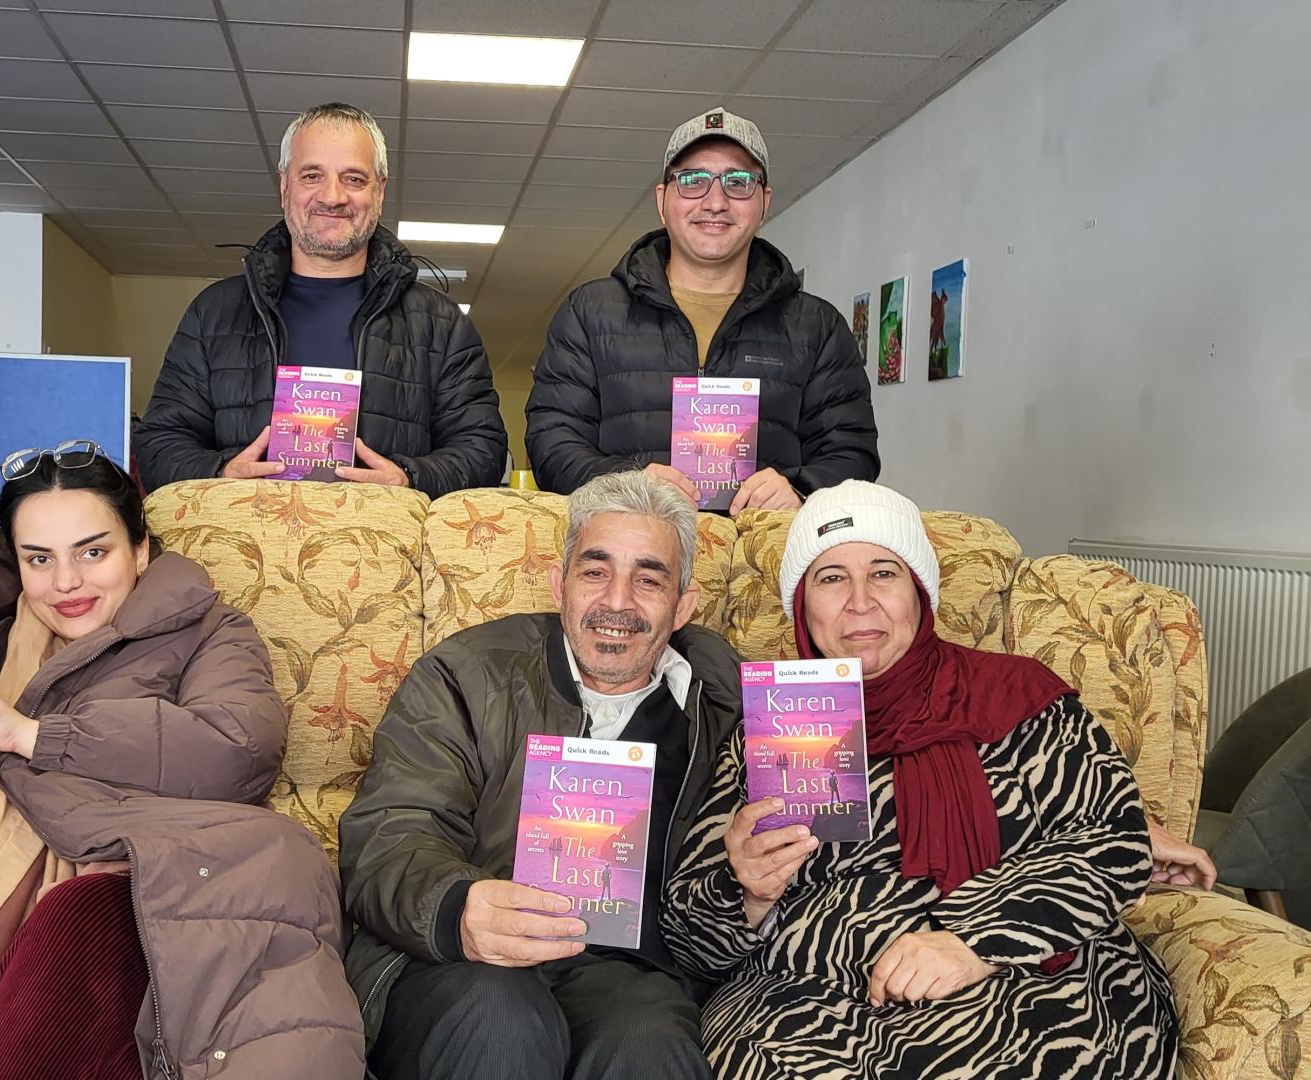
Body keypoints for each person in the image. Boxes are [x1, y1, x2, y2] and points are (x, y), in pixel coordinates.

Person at [0, 439, 363, 1079]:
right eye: (40, 559)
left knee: (70, 926)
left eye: (93, 552)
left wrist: (33, 736)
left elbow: (237, 750)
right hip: (11, 919)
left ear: (141, 550)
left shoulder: (209, 629)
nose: (66, 583)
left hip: (163, 880)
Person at [660, 480, 1178, 1078]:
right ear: (802, 606)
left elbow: (1114, 838)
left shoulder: (1015, 696)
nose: (859, 602)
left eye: (883, 573)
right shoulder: (765, 729)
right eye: (830, 578)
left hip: (1031, 977)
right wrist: (746, 890)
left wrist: (972, 940)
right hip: (806, 1001)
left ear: (920, 593)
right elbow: (690, 939)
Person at [339, 470, 743, 1079]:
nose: (617, 602)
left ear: (683, 606)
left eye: (649, 579)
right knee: (500, 1013)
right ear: (559, 584)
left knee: (649, 1037)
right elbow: (389, 830)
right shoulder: (466, 673)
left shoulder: (723, 698)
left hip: (620, 966)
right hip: (456, 956)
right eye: (595, 570)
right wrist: (458, 908)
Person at [134, 102, 507, 498]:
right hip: (242, 553)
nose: (332, 196)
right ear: (284, 186)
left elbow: (483, 448)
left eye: (354, 179)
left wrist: (409, 479)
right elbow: (158, 443)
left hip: (382, 552)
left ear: (379, 191)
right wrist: (223, 474)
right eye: (312, 175)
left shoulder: (441, 324)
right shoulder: (214, 313)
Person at [524, 107, 878, 513]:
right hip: (634, 553)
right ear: (662, 201)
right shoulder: (590, 313)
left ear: (764, 202)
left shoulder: (818, 328)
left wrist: (800, 489)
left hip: (765, 558)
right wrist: (629, 482)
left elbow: (854, 451)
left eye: (738, 182)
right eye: (692, 181)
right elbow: (551, 441)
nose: (715, 202)